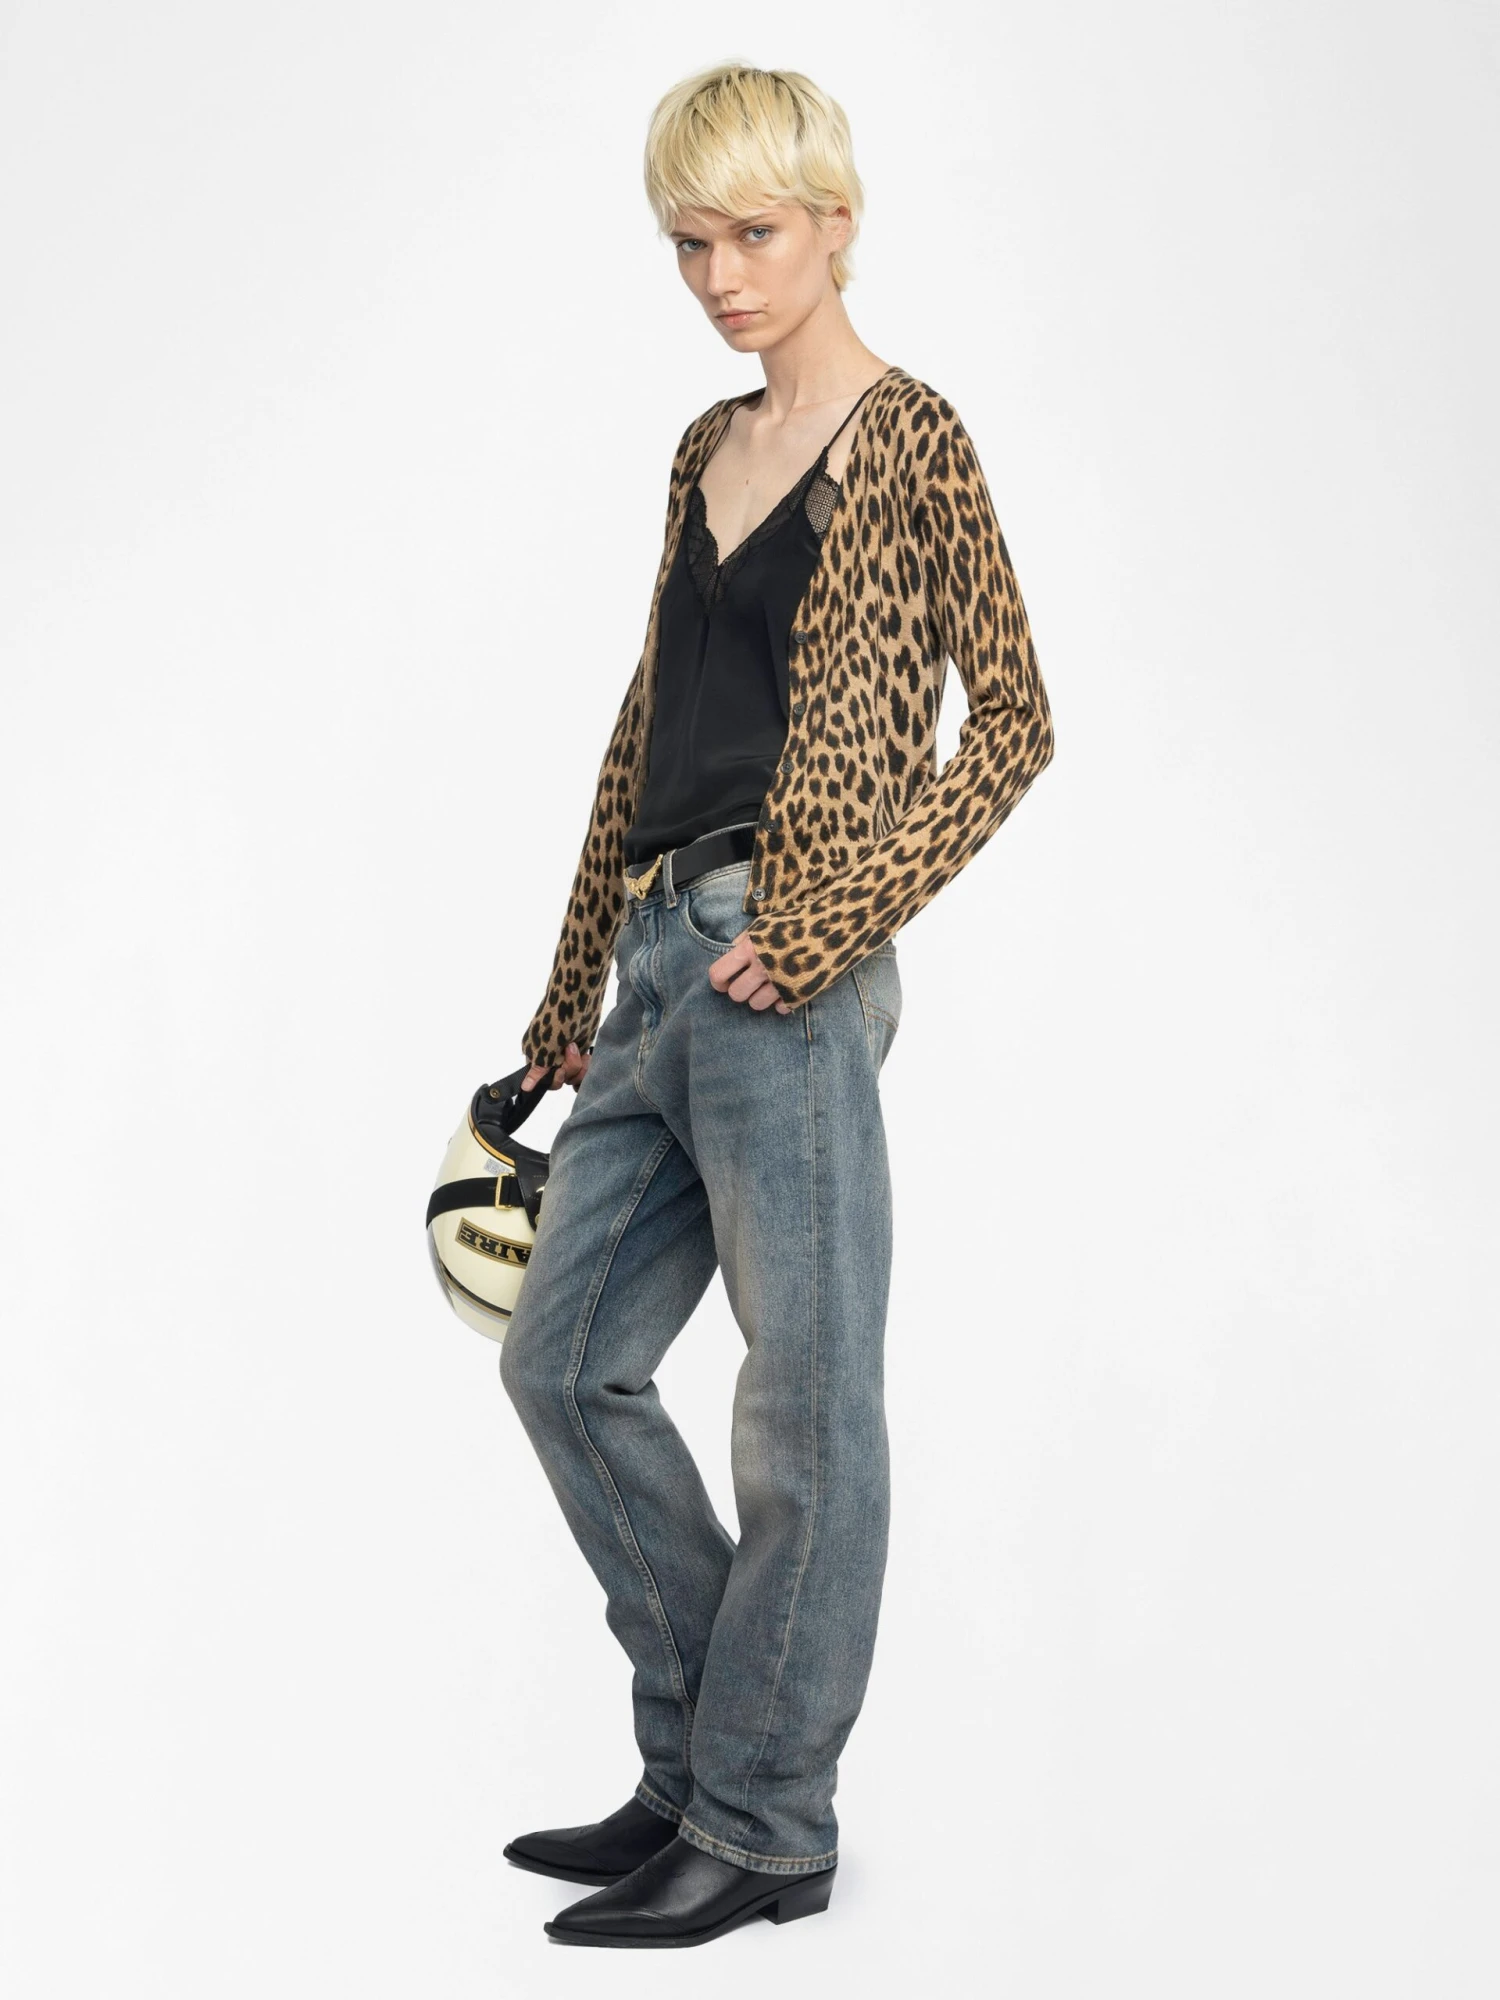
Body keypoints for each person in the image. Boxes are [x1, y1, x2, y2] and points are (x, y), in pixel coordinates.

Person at [497, 60, 1055, 1949]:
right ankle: (699, 1777)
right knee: (561, 1363)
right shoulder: (701, 448)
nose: (722, 276)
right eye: (689, 243)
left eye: (753, 232)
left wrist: (828, 925)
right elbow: (644, 728)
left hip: (782, 962)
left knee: (803, 1414)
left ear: (836, 221)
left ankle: (765, 1823)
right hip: (660, 954)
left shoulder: (912, 438)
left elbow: (1015, 723)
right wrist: (569, 984)